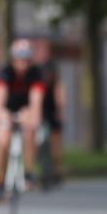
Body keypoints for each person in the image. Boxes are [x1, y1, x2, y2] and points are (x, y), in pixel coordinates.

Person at [0, 39, 44, 205]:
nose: (22, 63)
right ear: (13, 59)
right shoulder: (5, 72)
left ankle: (28, 173)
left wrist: (35, 117)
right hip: (8, 109)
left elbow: (36, 99)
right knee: (4, 140)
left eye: (26, 59)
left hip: (26, 110)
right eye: (19, 59)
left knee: (30, 128)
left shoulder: (36, 74)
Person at [38, 40, 66, 183]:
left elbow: (58, 89)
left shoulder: (53, 68)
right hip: (38, 109)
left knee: (56, 139)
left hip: (52, 108)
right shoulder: (35, 69)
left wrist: (60, 108)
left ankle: (57, 168)